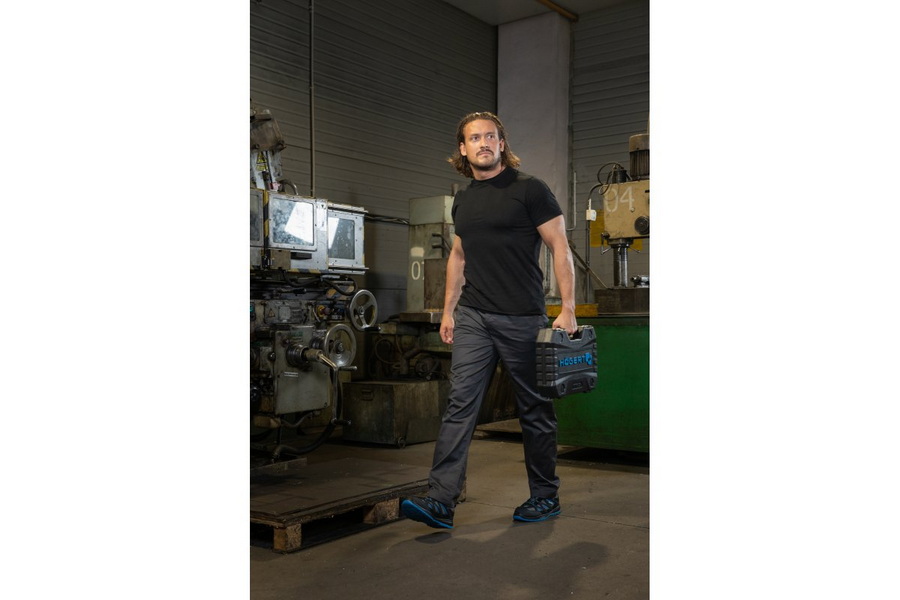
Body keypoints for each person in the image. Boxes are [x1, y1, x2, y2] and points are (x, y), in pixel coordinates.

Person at [401, 111, 577, 529]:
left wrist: (568, 307)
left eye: (490, 136)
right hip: (474, 316)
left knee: (534, 409)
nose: (483, 143)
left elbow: (560, 246)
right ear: (463, 149)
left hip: (522, 317)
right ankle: (440, 500)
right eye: (474, 138)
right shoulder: (464, 199)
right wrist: (448, 310)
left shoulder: (530, 189)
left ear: (501, 143)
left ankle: (545, 496)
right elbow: (458, 256)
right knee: (460, 405)